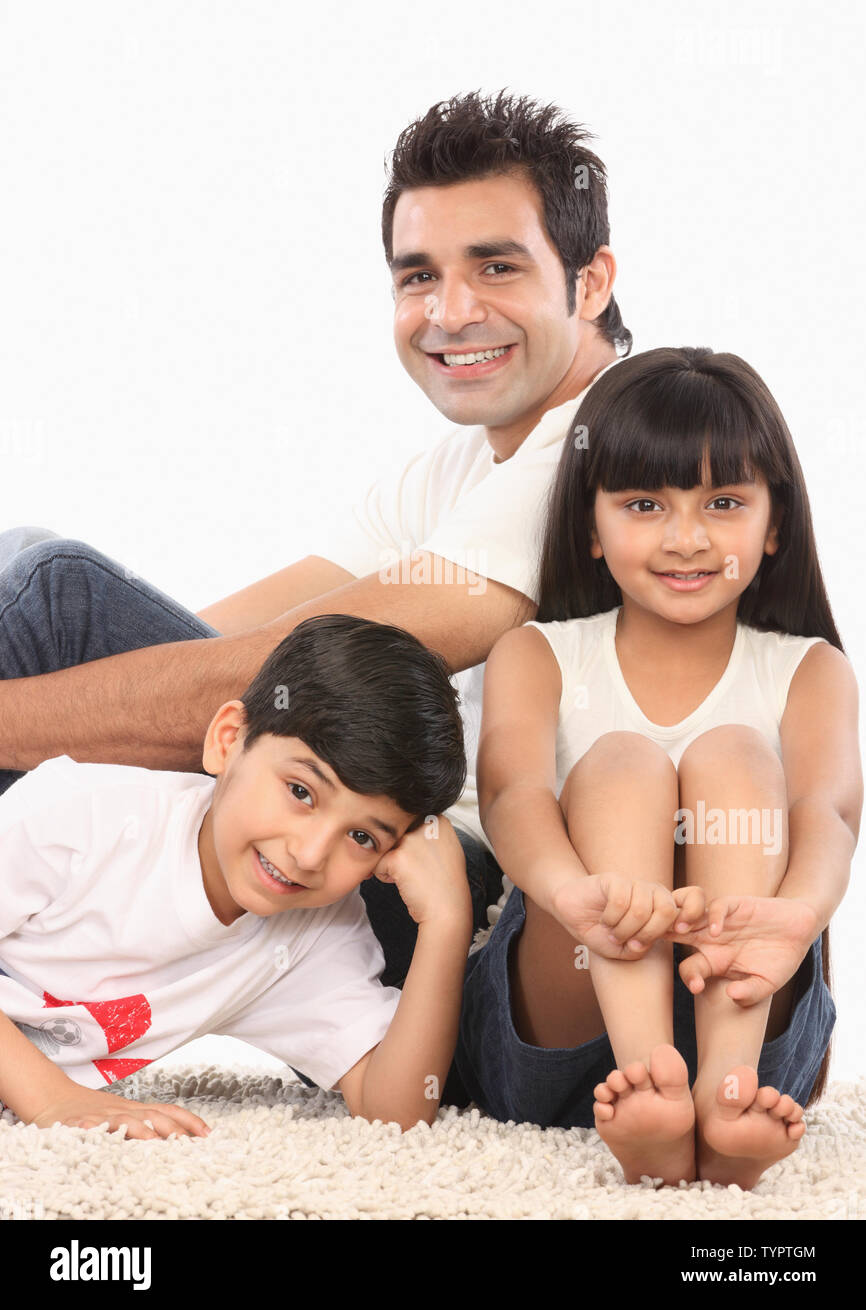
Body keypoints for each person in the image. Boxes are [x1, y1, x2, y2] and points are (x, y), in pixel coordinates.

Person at [0, 91, 631, 983]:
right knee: (40, 580)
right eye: (418, 276)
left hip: (470, 911)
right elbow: (217, 640)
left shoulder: (615, 444)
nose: (449, 312)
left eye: (495, 268)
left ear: (590, 280)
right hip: (358, 858)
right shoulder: (452, 471)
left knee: (55, 594)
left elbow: (259, 681)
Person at [447, 347, 861, 1189]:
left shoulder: (809, 670)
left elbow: (830, 815)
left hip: (748, 1020)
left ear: (774, 523)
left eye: (723, 502)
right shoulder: (539, 654)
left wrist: (796, 918)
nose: (686, 538)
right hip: (563, 1024)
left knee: (737, 756)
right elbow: (511, 794)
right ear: (590, 528)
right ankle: (650, 1081)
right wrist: (578, 899)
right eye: (644, 504)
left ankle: (723, 1096)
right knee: (624, 762)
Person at [0, 614, 472, 1139]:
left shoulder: (315, 934)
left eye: (362, 838)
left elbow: (396, 1114)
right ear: (227, 741)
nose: (310, 854)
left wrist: (447, 922)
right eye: (301, 791)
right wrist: (51, 1101)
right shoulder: (79, 812)